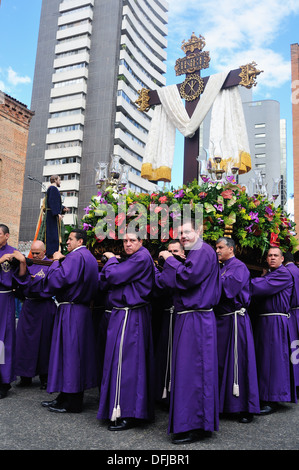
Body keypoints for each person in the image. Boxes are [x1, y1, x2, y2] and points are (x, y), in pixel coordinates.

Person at [156, 220, 221, 444]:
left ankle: (196, 424)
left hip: (196, 318)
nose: (182, 236)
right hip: (190, 317)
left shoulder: (201, 249)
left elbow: (187, 277)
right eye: (179, 233)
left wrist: (170, 260)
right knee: (188, 371)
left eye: (187, 232)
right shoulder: (196, 251)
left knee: (194, 372)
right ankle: (194, 423)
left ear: (199, 232)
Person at [25, 229, 99, 413]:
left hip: (71, 310)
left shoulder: (75, 257)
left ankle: (72, 401)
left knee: (70, 354)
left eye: (70, 239)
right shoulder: (88, 257)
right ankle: (65, 396)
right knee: (73, 354)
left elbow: (58, 280)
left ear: (80, 241)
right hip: (79, 309)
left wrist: (57, 260)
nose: (67, 242)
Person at [97, 231, 155, 431]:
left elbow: (114, 276)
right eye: (125, 241)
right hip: (126, 314)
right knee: (124, 362)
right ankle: (126, 409)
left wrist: (112, 260)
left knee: (127, 363)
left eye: (132, 241)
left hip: (130, 315)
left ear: (141, 241)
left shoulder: (140, 257)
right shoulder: (137, 257)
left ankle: (127, 412)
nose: (128, 244)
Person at [214, 237, 260, 423]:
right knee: (221, 363)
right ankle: (224, 404)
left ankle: (243, 407)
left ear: (231, 249)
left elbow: (227, 290)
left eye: (220, 247)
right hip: (221, 321)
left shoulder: (239, 266)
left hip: (235, 320)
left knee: (238, 362)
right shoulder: (221, 266)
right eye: (216, 247)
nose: (217, 250)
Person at [251, 247, 297, 414]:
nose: (271, 258)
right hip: (265, 320)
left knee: (273, 359)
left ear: (282, 258)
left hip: (275, 321)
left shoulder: (283, 274)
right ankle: (265, 395)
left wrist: (248, 280)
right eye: (269, 255)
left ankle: (273, 397)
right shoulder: (271, 274)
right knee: (264, 359)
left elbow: (260, 287)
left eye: (275, 255)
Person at [15, 240, 56, 389]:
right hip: (29, 306)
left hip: (44, 307)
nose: (35, 255)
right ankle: (25, 376)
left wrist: (33, 281)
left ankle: (45, 377)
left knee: (45, 343)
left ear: (44, 252)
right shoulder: (28, 263)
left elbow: (51, 284)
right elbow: (20, 282)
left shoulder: (51, 265)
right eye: (33, 252)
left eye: (38, 253)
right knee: (24, 343)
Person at [153, 240, 185, 408]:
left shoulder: (185, 269)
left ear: (183, 253)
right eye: (169, 251)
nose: (172, 254)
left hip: (180, 317)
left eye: (175, 251)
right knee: (163, 354)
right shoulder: (163, 268)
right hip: (165, 316)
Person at [0, 224, 26, 398]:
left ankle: (4, 381)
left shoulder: (13, 251)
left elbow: (22, 276)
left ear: (7, 235)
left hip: (5, 299)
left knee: (5, 339)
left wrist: (22, 261)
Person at [38, 175, 68, 258]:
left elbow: (53, 203)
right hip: (51, 217)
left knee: (53, 234)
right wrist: (57, 213)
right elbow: (52, 202)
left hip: (51, 215)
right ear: (55, 180)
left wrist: (62, 208)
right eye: (59, 179)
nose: (60, 181)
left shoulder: (51, 189)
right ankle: (52, 254)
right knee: (52, 235)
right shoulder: (53, 189)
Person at [283, 251, 299, 390]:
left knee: (294, 347)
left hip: (293, 312)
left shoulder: (286, 271)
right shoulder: (297, 270)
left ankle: (296, 382)